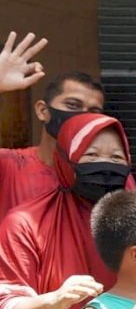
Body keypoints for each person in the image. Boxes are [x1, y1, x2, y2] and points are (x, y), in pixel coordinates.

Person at [0, 113, 134, 309]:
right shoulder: (26, 223)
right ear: (65, 159)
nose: (105, 165)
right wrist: (56, 300)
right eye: (90, 155)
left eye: (116, 156)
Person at [1, 67, 105, 217]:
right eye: (72, 105)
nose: (83, 116)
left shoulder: (109, 172)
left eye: (94, 111)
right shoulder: (9, 165)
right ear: (43, 111)